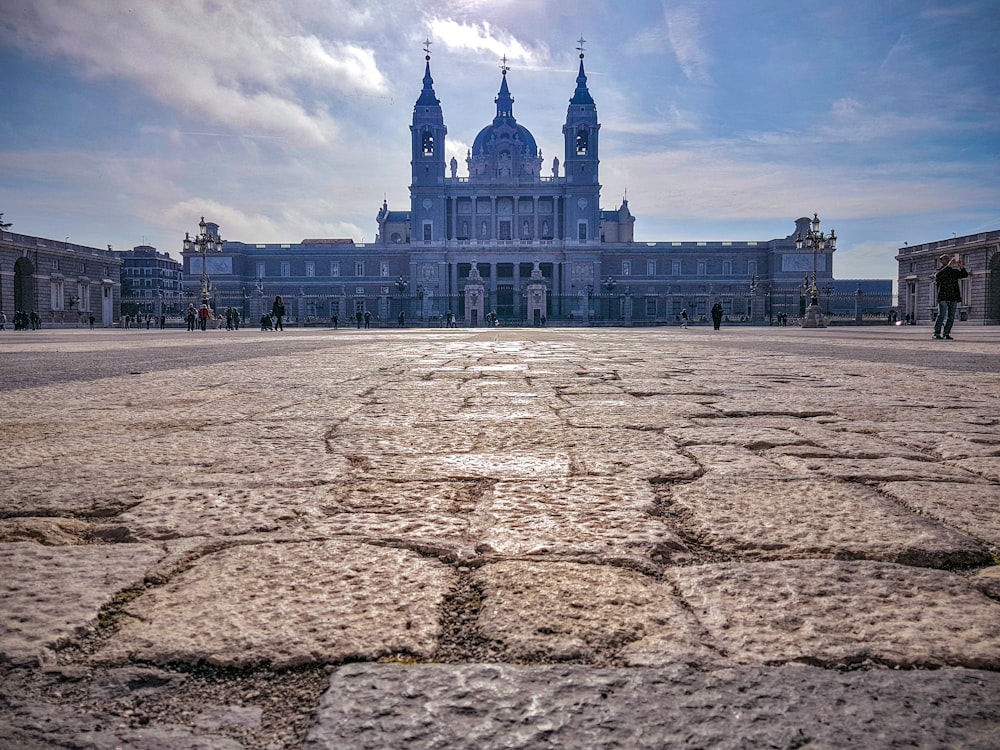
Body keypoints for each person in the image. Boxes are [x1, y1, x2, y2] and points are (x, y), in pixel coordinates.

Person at [933, 254, 969, 340]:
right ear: (941, 261)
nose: (948, 260)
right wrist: (948, 265)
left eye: (948, 259)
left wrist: (960, 265)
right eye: (945, 259)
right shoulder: (940, 271)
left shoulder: (954, 271)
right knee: (941, 315)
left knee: (951, 316)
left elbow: (965, 274)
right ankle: (936, 333)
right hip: (943, 296)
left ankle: (946, 333)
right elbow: (938, 276)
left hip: (953, 296)